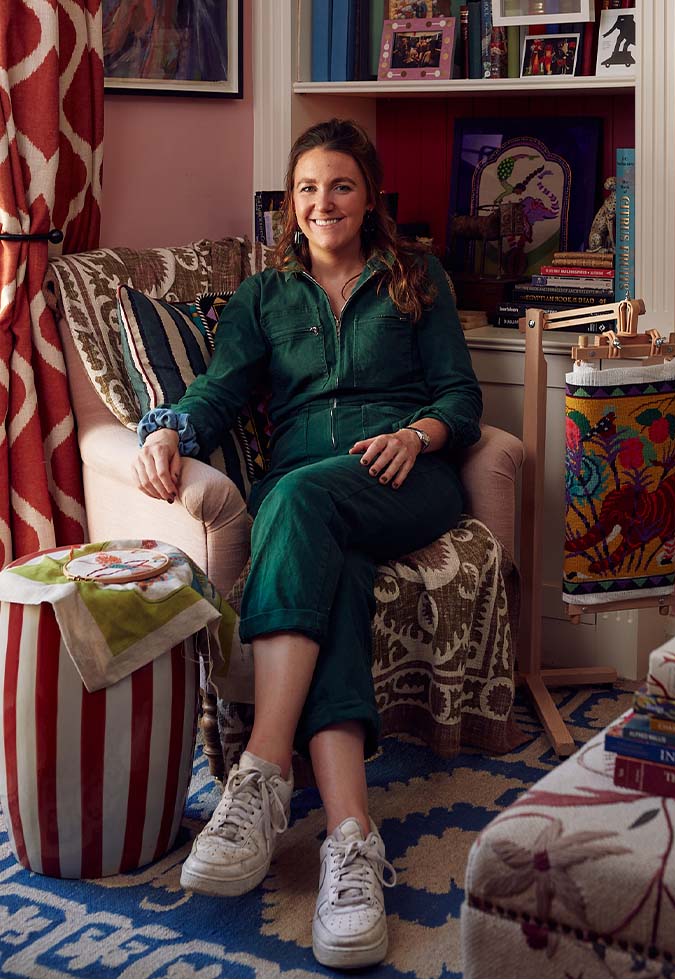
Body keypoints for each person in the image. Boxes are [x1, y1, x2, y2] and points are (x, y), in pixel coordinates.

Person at [132, 118, 482, 969]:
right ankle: (352, 842)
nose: (323, 202)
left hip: (405, 481)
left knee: (295, 498)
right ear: (291, 205)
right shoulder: (263, 298)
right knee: (338, 577)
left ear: (369, 198)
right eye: (308, 189)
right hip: (312, 505)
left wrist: (421, 436)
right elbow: (218, 390)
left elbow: (462, 395)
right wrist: (171, 429)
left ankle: (260, 769)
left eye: (341, 186)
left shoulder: (416, 279)